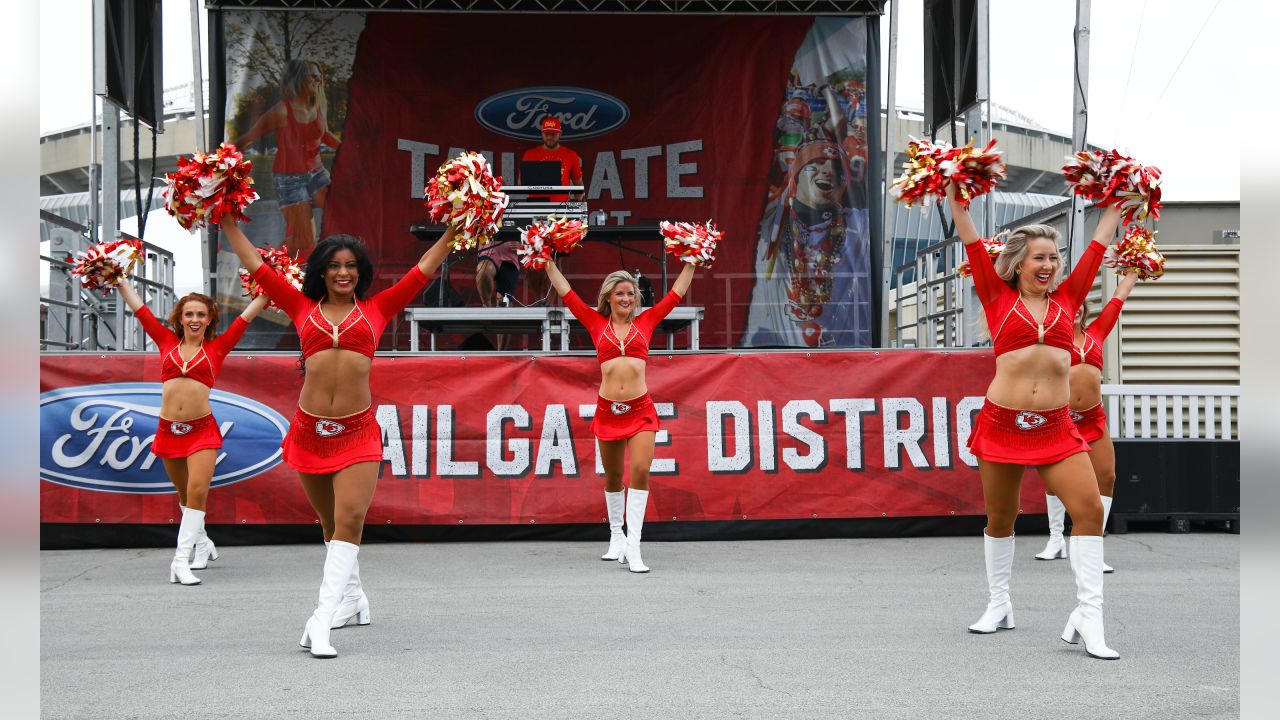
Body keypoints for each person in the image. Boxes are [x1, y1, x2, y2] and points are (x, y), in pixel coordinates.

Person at [219, 215, 453, 658]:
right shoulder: (301, 307)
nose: (343, 272)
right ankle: (353, 598)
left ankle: (320, 619)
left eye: (350, 265)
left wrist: (455, 229)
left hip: (357, 432)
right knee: (330, 525)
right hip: (309, 431)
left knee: (349, 520)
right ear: (321, 272)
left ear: (360, 272)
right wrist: (225, 216)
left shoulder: (378, 308)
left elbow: (424, 266)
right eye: (334, 265)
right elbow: (254, 263)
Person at [947, 182, 1124, 660]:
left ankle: (1089, 616)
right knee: (1000, 519)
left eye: (1053, 258)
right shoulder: (996, 297)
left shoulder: (1070, 298)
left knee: (1088, 512)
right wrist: (953, 190)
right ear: (1019, 264)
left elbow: (1097, 245)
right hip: (1002, 424)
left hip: (1056, 428)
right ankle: (999, 604)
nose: (1048, 265)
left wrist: (1116, 204)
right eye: (1039, 258)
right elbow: (966, 231)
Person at [542, 257, 697, 572]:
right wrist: (546, 261)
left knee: (640, 469)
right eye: (620, 294)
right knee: (613, 476)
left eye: (631, 294)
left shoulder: (647, 322)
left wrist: (691, 262)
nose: (627, 299)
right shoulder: (595, 323)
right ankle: (616, 535)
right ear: (608, 298)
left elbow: (676, 294)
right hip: (608, 410)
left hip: (641, 410)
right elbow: (566, 291)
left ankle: (635, 547)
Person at [115, 280, 269, 585]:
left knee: (198, 492)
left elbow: (246, 317)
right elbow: (139, 308)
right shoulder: (165, 341)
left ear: (209, 319)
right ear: (180, 318)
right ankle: (203, 543)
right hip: (169, 430)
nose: (195, 320)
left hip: (202, 432)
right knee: (185, 496)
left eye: (201, 314)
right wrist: (117, 277)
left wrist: (269, 289)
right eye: (189, 314)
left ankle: (179, 561)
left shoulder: (218, 347)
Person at [1037, 271, 1139, 571]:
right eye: (1073, 303)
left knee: (1107, 477)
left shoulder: (1096, 333)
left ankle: (1095, 543)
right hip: (1061, 418)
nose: (1078, 307)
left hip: (1093, 418)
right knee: (1056, 483)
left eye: (1082, 303)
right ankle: (1056, 539)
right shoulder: (1050, 335)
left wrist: (1134, 270)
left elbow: (1116, 302)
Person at [742, 135, 872, 348]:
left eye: (838, 170)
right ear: (796, 176)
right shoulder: (770, 224)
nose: (829, 171)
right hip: (770, 354)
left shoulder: (860, 224)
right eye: (816, 163)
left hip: (845, 359)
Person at [233, 58, 341, 258]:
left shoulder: (318, 105)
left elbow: (323, 134)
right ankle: (269, 265)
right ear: (300, 79)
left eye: (320, 77)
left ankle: (320, 263)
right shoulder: (281, 111)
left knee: (342, 210)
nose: (318, 81)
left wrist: (350, 150)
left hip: (317, 174)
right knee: (305, 241)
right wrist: (215, 163)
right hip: (290, 179)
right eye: (313, 76)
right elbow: (247, 139)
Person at [521, 117, 584, 202]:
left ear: (560, 134)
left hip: (562, 210)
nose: (550, 137)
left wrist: (579, 206)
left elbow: (578, 185)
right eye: (547, 134)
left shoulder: (571, 155)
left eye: (553, 134)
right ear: (542, 134)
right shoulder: (529, 154)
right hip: (536, 208)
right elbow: (521, 182)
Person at [474, 236, 521, 349]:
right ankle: (487, 306)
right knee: (484, 271)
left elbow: (532, 229)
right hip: (488, 251)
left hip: (510, 256)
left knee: (505, 305)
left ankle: (501, 352)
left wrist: (524, 245)